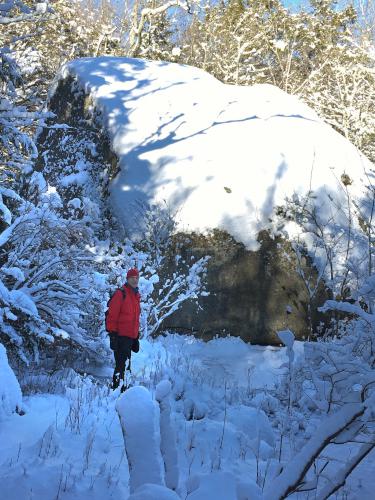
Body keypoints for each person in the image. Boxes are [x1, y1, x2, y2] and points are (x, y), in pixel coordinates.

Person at [106, 268, 141, 391]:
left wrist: (136, 336)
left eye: (137, 278)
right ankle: (115, 391)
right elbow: (112, 315)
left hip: (130, 338)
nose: (135, 280)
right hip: (120, 337)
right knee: (121, 366)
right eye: (132, 278)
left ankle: (123, 390)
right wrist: (113, 336)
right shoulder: (121, 294)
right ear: (127, 279)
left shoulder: (136, 295)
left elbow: (135, 318)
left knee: (126, 366)